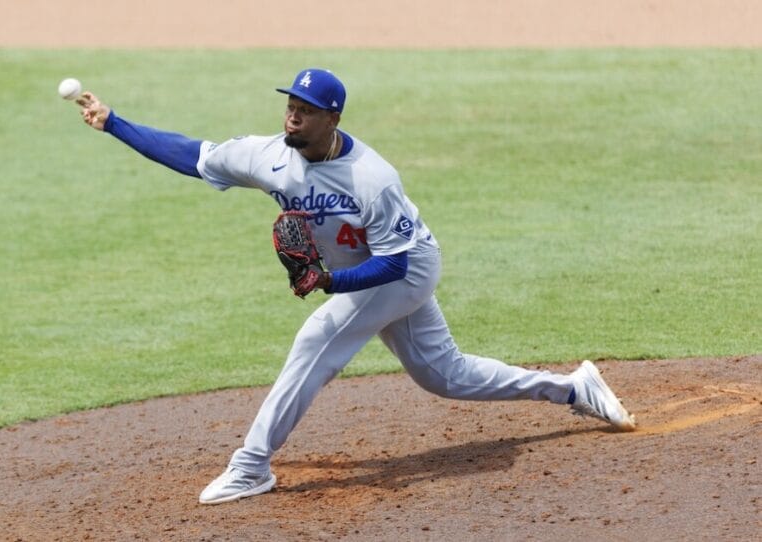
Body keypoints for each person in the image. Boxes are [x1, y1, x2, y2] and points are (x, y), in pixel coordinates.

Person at [73, 68, 636, 505]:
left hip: (405, 268)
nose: (293, 117)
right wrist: (115, 122)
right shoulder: (269, 156)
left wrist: (331, 281)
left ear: (332, 118)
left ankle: (251, 466)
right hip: (370, 273)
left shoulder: (372, 178)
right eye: (290, 106)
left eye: (305, 111)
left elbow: (393, 264)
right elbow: (193, 155)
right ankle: (572, 389)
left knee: (316, 340)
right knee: (444, 375)